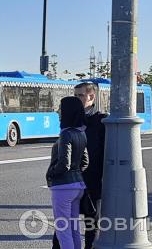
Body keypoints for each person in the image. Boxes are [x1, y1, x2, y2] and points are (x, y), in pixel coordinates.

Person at [52, 82, 108, 249]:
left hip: (91, 180)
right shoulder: (73, 119)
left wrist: (53, 173)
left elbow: (103, 153)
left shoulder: (101, 120)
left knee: (91, 223)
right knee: (65, 225)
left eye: (80, 96)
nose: (76, 99)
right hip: (75, 179)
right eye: (75, 95)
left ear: (91, 97)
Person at [46, 96, 89, 249]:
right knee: (74, 228)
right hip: (78, 187)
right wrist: (76, 174)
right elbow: (85, 162)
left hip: (63, 187)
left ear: (67, 112)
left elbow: (64, 164)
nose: (58, 111)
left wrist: (51, 172)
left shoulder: (66, 134)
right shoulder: (81, 133)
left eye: (60, 108)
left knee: (63, 231)